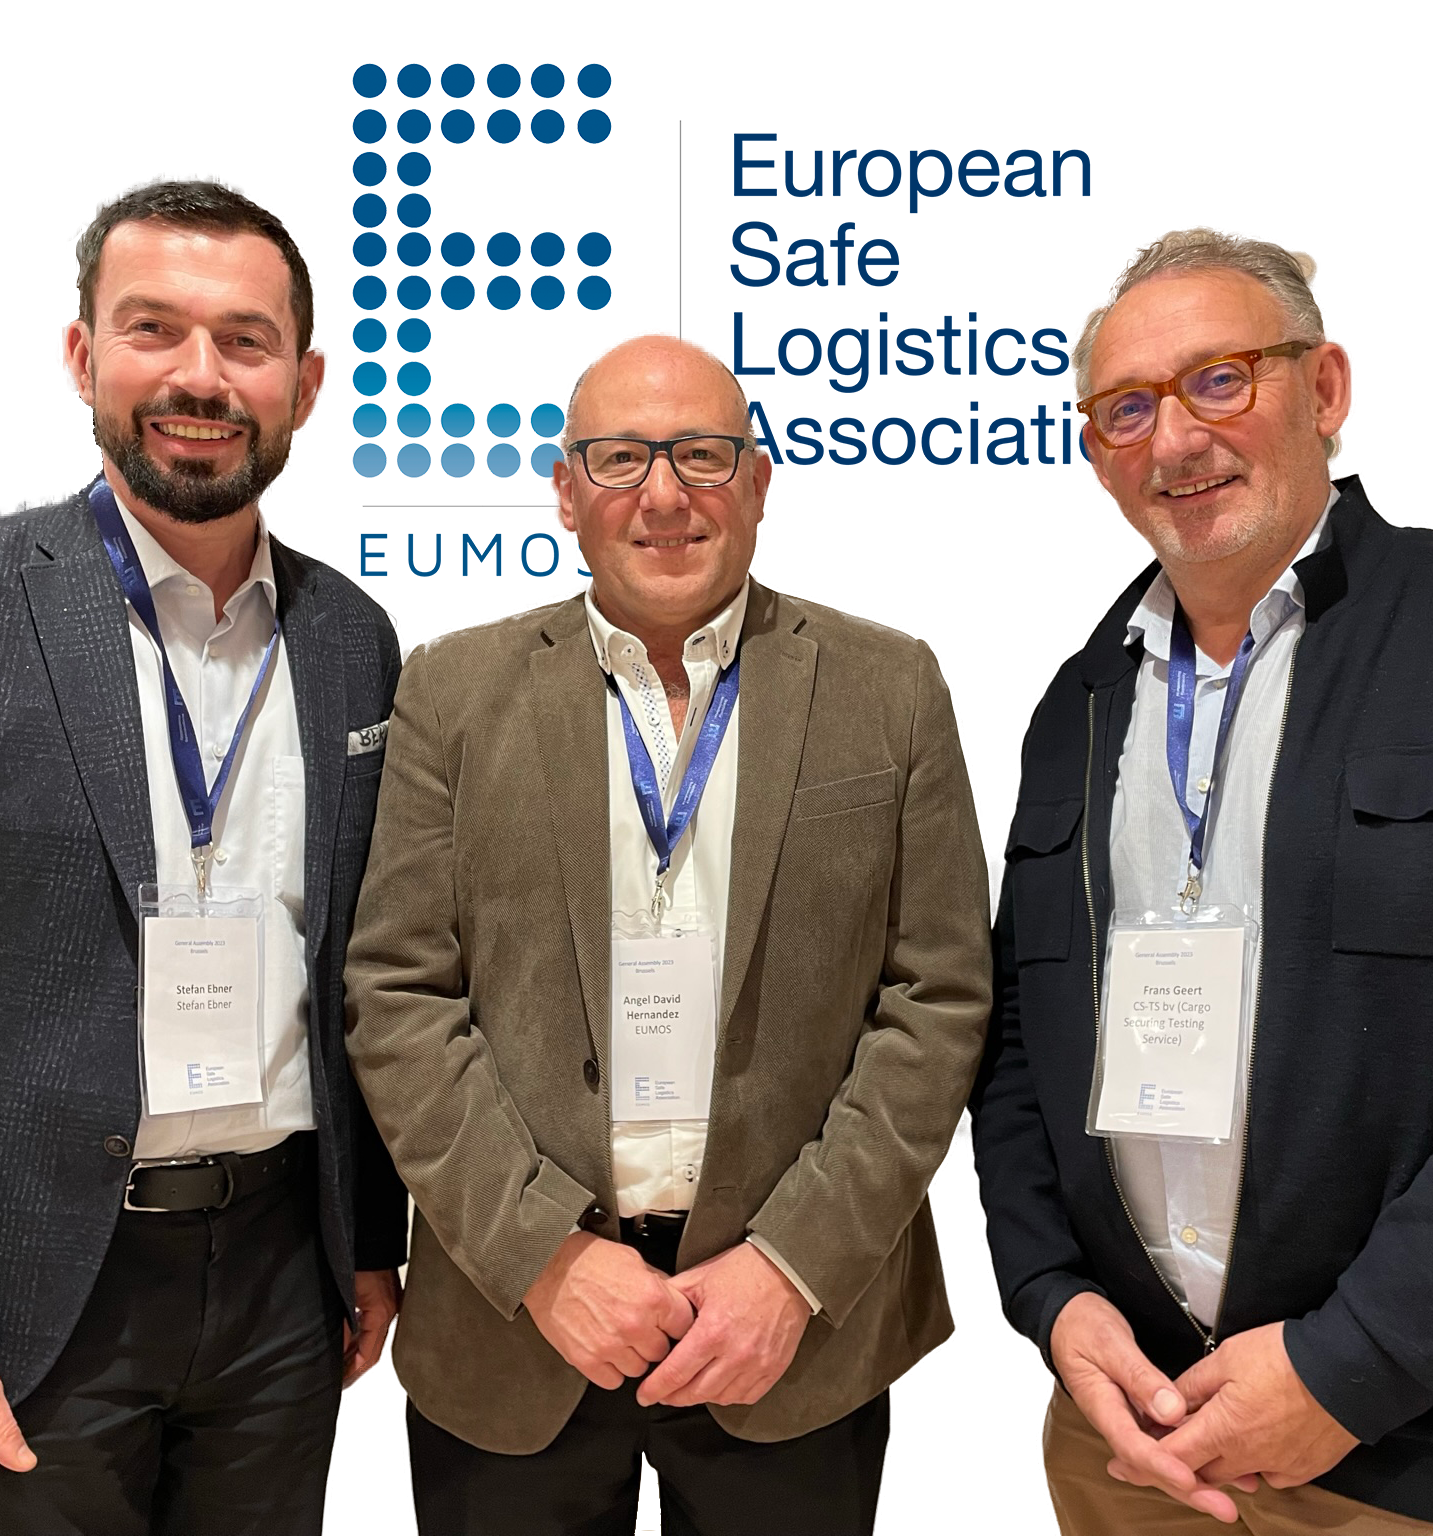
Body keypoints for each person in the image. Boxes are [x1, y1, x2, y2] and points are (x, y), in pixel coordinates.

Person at [969, 226, 1433, 1536]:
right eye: (1125, 409)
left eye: (1219, 380)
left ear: (1324, 388)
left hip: (1422, 1450)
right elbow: (1022, 1043)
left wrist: (1348, 1364)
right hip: (1131, 1436)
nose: (1173, 438)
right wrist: (1052, 1299)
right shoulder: (1080, 704)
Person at [0, 175, 408, 1532]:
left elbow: (358, 973)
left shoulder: (351, 640)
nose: (200, 376)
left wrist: (366, 1240)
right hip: (27, 1295)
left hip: (280, 1288)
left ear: (304, 383)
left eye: (244, 340)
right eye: (152, 329)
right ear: (81, 357)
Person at [343, 329, 993, 1535]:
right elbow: (398, 996)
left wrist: (792, 1265)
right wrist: (543, 1255)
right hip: (519, 1329)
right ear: (565, 490)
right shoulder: (452, 693)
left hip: (784, 1340)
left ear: (756, 481)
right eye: (620, 457)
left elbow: (937, 997)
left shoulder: (887, 687)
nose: (662, 494)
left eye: (701, 454)